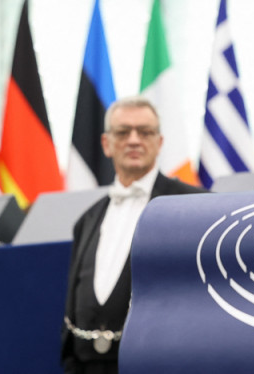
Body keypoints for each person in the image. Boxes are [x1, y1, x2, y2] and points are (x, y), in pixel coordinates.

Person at [61, 96, 204, 374]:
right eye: (123, 132)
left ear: (160, 143)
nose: (134, 140)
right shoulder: (86, 220)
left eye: (145, 132)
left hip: (158, 364)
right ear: (106, 143)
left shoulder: (194, 208)